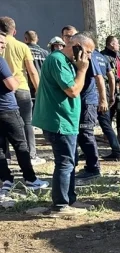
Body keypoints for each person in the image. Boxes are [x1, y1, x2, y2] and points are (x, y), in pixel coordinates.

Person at [33, 33, 94, 216]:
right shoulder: (57, 60)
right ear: (76, 46)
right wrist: (82, 70)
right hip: (59, 121)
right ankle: (60, 205)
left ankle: (69, 200)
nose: (89, 57)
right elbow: (73, 90)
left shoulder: (66, 62)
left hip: (67, 120)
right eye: (88, 52)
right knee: (65, 162)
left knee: (70, 160)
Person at [0, 31, 48, 197]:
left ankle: (6, 179)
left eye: (3, 43)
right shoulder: (1, 60)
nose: (3, 46)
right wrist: (15, 79)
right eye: (0, 43)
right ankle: (30, 179)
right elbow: (12, 85)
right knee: (21, 144)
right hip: (7, 108)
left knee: (0, 147)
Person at [62, 28, 108, 182]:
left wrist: (103, 99)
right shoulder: (73, 57)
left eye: (70, 37)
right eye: (66, 37)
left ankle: (93, 168)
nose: (67, 40)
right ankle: (88, 166)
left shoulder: (89, 57)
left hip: (88, 101)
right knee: (81, 135)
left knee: (86, 134)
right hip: (79, 101)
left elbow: (99, 78)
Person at [0, 17, 42, 165]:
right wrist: (38, 90)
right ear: (15, 31)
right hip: (22, 88)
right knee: (27, 123)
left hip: (3, 91)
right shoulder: (22, 46)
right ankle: (31, 154)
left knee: (3, 125)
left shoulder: (1, 44)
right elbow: (32, 71)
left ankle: (6, 156)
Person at [94, 38, 120, 161]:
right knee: (107, 126)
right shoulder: (102, 57)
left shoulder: (88, 57)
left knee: (85, 127)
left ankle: (89, 152)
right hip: (103, 95)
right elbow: (111, 77)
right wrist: (111, 95)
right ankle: (117, 152)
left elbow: (99, 78)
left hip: (91, 96)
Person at [23, 30, 48, 104]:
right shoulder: (45, 53)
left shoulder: (23, 50)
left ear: (25, 39)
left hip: (27, 87)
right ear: (37, 39)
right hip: (42, 87)